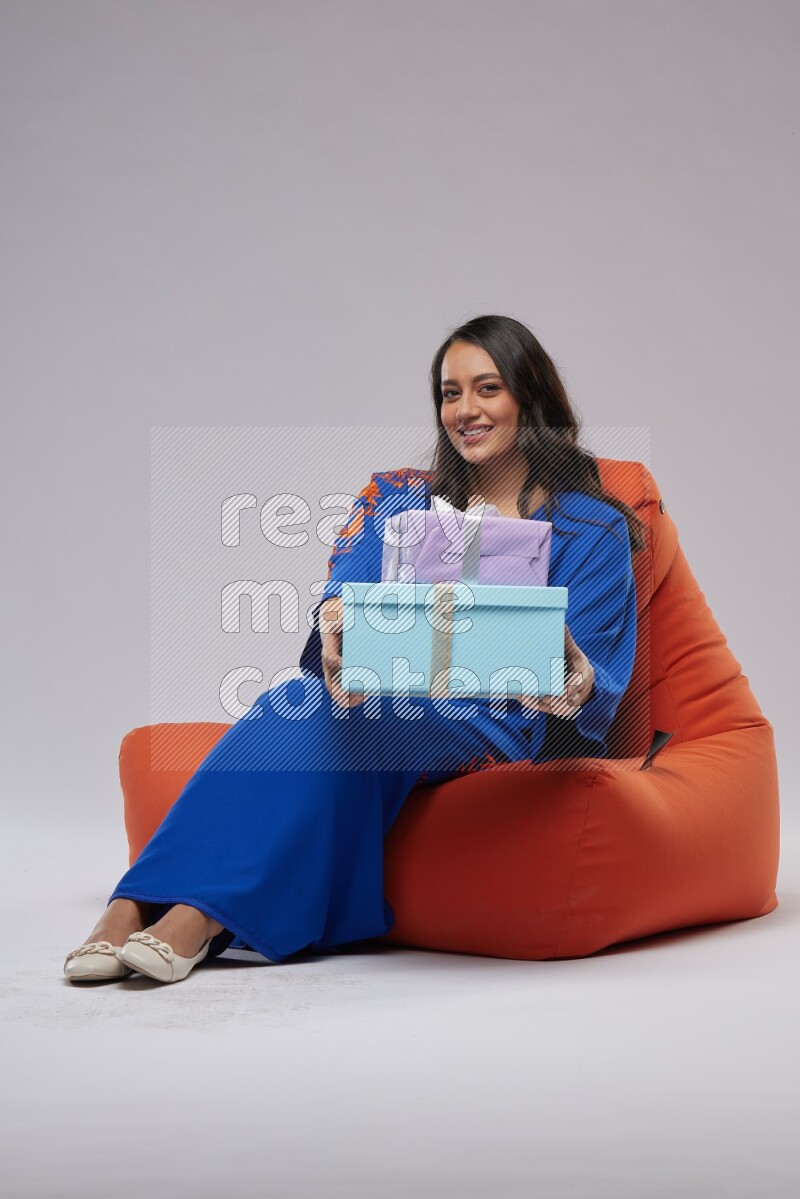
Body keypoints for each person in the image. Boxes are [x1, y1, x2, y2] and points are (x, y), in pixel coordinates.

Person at [63, 314, 646, 985]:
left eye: (487, 388)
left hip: (495, 719)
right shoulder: (398, 498)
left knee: (327, 714)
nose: (465, 409)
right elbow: (345, 589)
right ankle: (135, 904)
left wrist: (573, 680)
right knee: (298, 697)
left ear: (529, 396)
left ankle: (189, 913)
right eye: (449, 393)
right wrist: (337, 615)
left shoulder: (589, 525)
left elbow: (595, 676)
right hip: (385, 689)